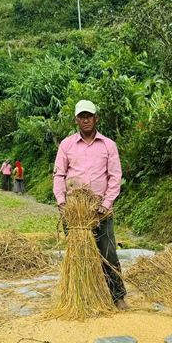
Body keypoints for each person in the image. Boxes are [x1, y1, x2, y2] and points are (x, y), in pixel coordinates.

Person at [53, 100, 128, 310]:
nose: (85, 120)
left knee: (108, 252)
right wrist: (62, 203)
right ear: (76, 120)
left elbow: (115, 177)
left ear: (96, 118)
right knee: (78, 253)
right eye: (81, 117)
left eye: (89, 116)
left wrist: (106, 203)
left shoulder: (108, 145)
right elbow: (59, 174)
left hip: (100, 210)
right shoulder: (66, 145)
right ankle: (80, 296)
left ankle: (117, 295)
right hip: (75, 211)